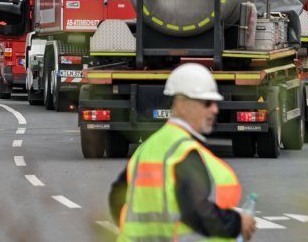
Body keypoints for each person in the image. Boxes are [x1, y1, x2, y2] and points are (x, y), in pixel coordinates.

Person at [109, 63, 257, 242]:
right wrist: (237, 222)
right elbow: (196, 211)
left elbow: (116, 197)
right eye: (207, 103)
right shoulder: (183, 152)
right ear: (182, 104)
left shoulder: (146, 148)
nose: (215, 109)